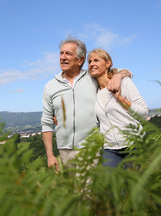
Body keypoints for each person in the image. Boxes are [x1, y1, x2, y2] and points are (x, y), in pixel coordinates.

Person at [41, 37, 132, 170]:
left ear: (80, 60)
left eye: (68, 53)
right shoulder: (50, 86)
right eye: (61, 53)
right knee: (72, 190)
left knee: (90, 189)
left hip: (92, 147)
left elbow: (125, 72)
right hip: (64, 150)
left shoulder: (93, 77)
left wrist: (119, 76)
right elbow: (46, 122)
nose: (63, 57)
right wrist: (50, 155)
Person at [87, 48, 149, 168]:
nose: (92, 64)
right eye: (90, 62)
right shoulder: (94, 92)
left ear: (108, 63)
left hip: (133, 144)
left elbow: (144, 112)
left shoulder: (123, 82)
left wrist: (120, 99)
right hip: (109, 149)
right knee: (110, 185)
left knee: (137, 185)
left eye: (96, 60)